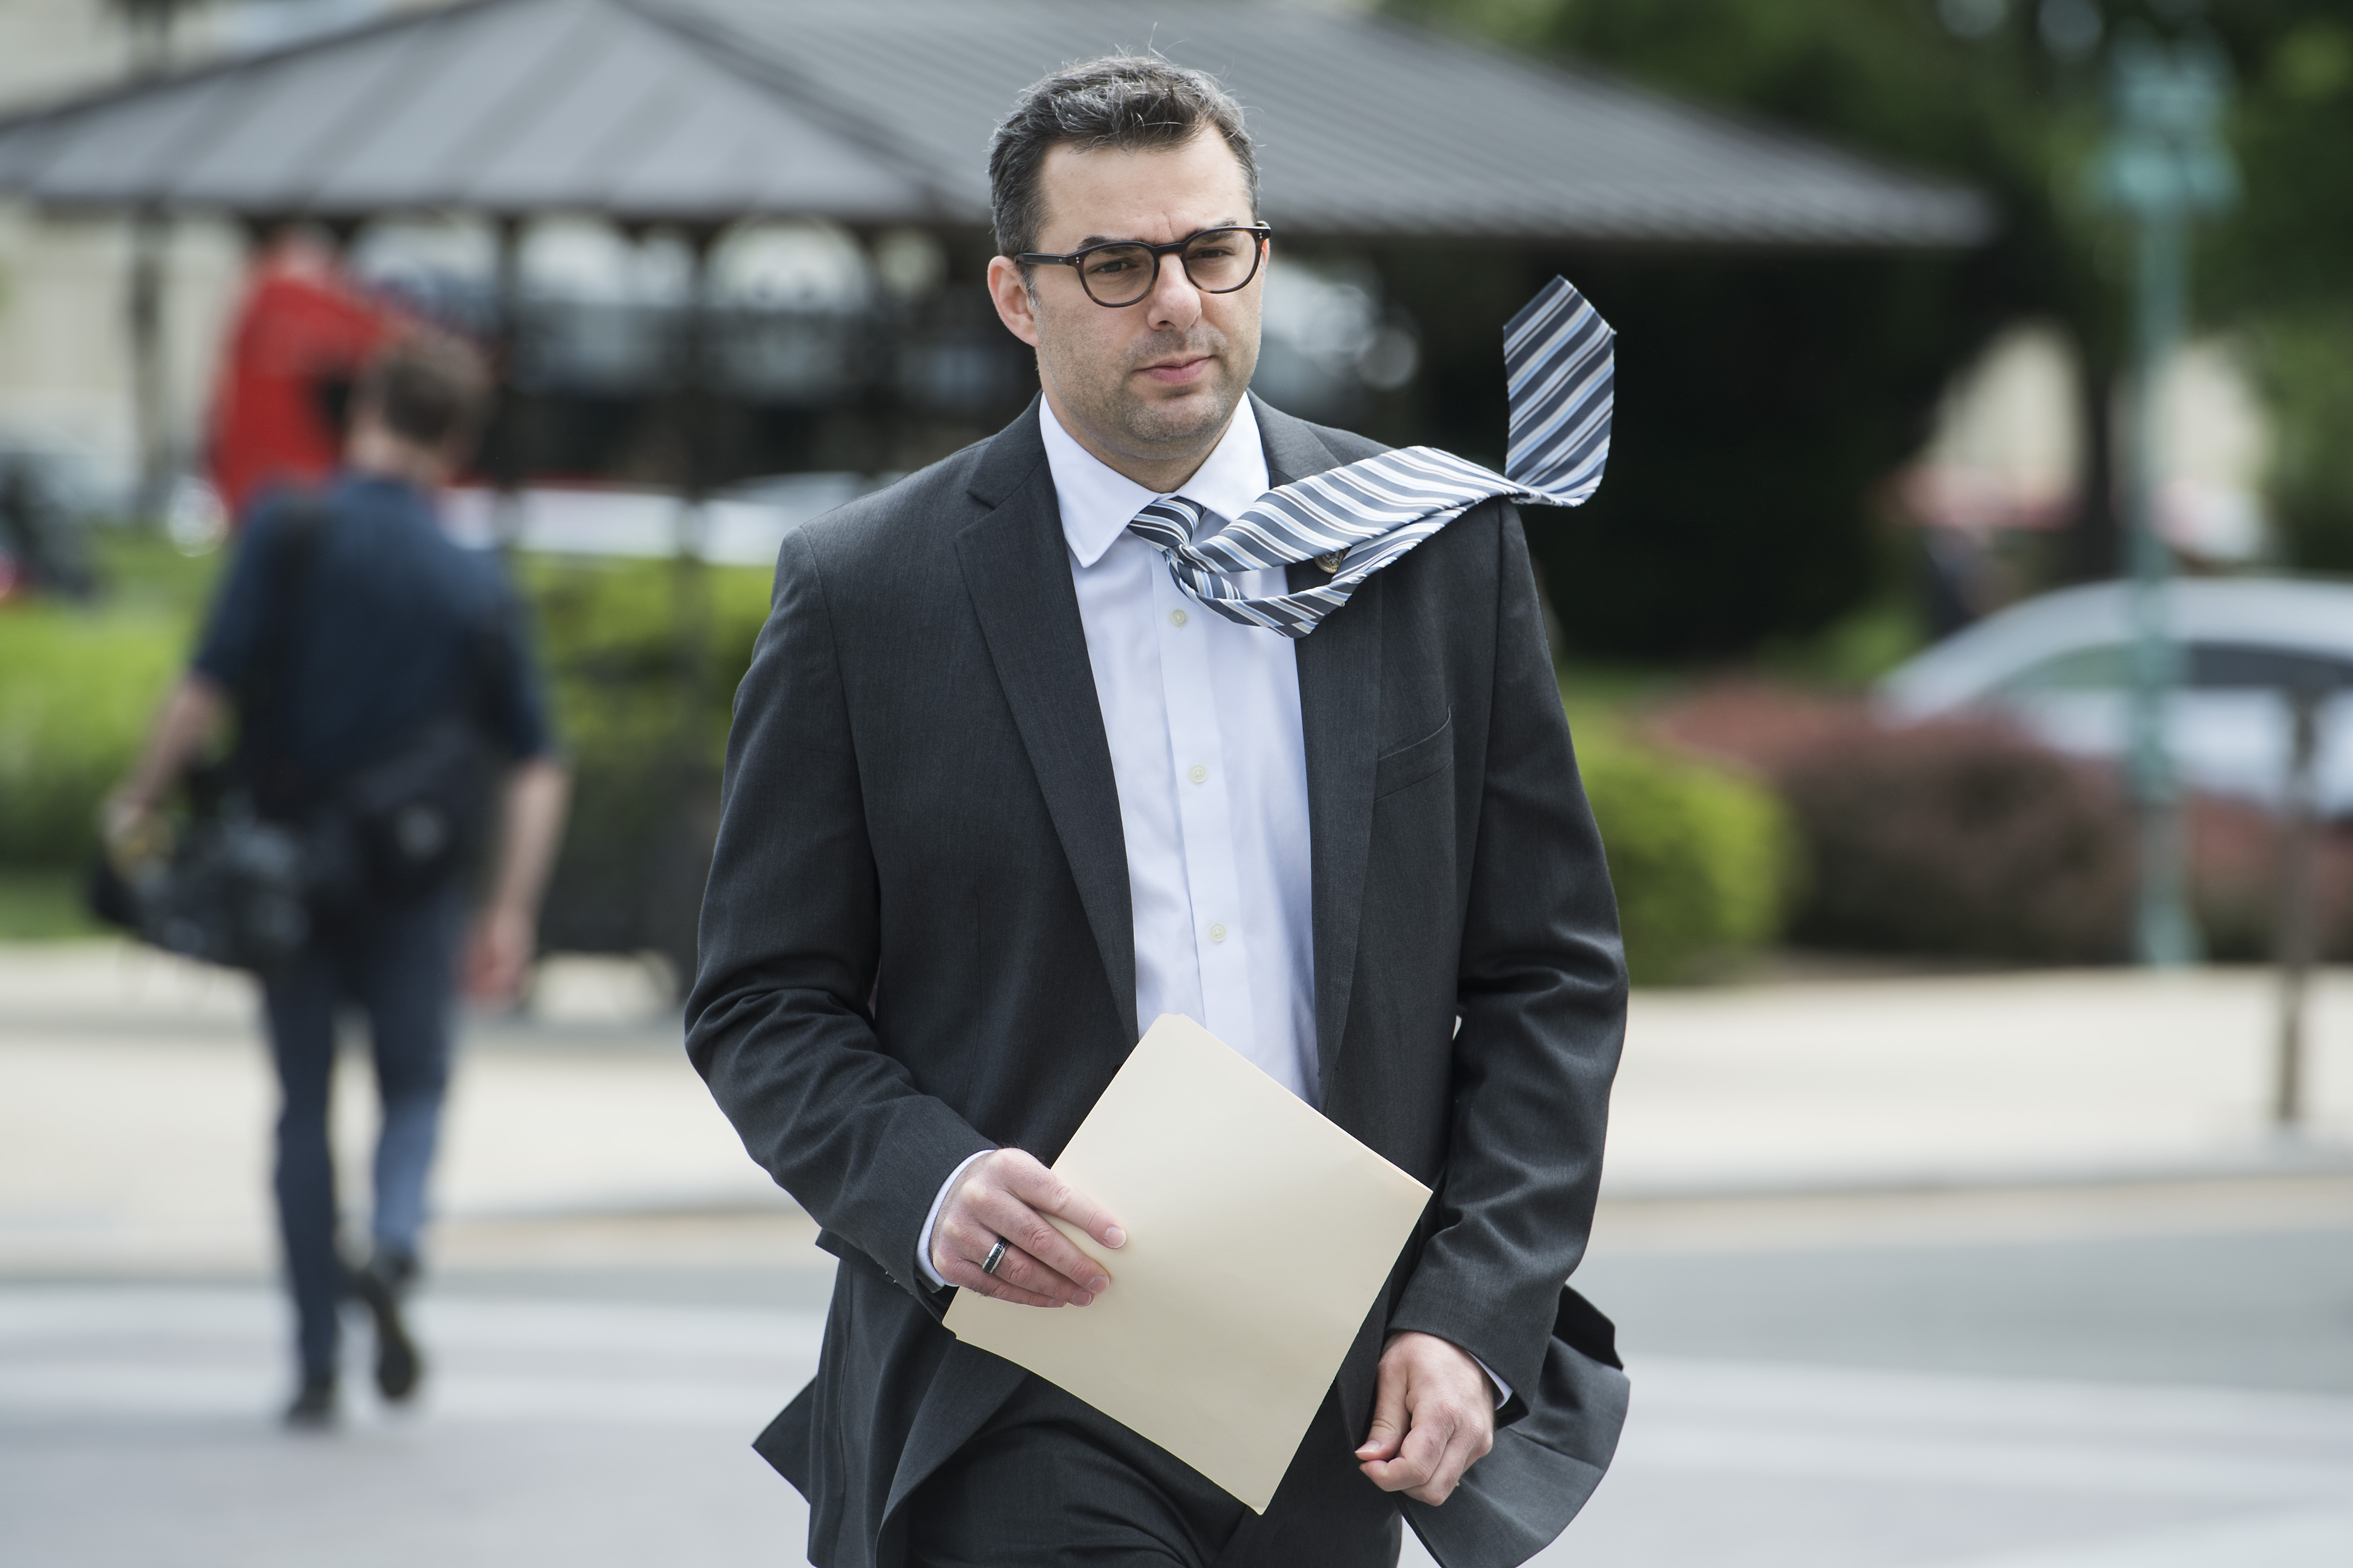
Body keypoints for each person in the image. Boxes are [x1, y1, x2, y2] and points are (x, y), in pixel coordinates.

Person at [687, 56, 1628, 1568]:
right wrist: (924, 1181)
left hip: (1333, 1383)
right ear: (1016, 295)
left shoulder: (1427, 552)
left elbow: (1546, 977)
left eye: (1211, 251)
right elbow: (762, 1000)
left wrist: (1472, 1311)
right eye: (1115, 266)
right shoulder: (868, 592)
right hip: (1016, 1376)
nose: (1178, 302)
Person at [108, 333, 571, 1427]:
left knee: (301, 1109)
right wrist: (509, 910)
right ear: (457, 437)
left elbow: (204, 687)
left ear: (364, 405)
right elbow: (540, 762)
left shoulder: (290, 524)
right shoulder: (472, 576)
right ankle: (398, 1241)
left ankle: (316, 1359)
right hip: (413, 878)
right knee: (415, 1085)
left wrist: (136, 799)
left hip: (288, 871)